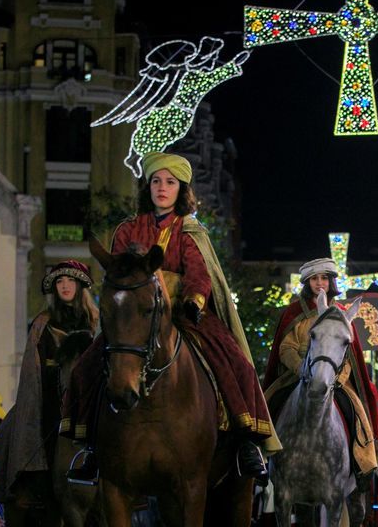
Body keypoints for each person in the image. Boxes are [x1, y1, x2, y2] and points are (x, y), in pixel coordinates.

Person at [61, 151, 278, 484]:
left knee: (235, 361)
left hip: (182, 313)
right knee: (87, 367)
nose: (162, 188)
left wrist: (194, 298)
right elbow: (118, 271)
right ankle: (90, 445)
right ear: (147, 187)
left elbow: (199, 273)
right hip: (136, 318)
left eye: (170, 182)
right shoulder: (128, 230)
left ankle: (245, 438)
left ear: (182, 189)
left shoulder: (190, 231)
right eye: (156, 181)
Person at [262, 257, 378, 488]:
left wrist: (337, 378)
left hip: (334, 379)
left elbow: (349, 356)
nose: (319, 283)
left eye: (324, 278)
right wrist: (301, 368)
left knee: (355, 408)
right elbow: (285, 348)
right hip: (297, 375)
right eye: (314, 279)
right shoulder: (293, 312)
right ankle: (260, 455)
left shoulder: (341, 314)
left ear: (331, 282)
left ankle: (362, 462)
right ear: (307, 283)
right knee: (269, 401)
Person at [0, 259, 98, 495]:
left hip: (90, 393)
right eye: (60, 281)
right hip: (51, 392)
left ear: (80, 285)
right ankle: (31, 482)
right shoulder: (43, 322)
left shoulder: (96, 321)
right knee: (9, 432)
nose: (64, 286)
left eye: (70, 280)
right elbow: (34, 364)